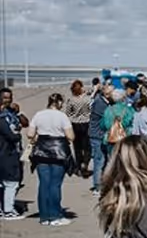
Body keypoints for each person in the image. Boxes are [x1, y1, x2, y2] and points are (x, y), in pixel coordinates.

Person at [29, 93, 76, 226]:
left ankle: (44, 216)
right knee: (55, 184)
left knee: (44, 184)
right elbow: (71, 136)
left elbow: (30, 134)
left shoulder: (39, 114)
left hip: (41, 151)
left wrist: (38, 136)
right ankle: (55, 215)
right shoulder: (62, 116)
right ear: (59, 102)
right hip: (58, 151)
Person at [0, 88, 22, 220]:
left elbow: (24, 122)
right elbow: (11, 135)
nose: (8, 100)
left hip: (8, 151)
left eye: (9, 97)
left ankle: (4, 209)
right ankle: (8, 210)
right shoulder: (3, 118)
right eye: (5, 98)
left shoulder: (10, 113)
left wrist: (18, 112)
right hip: (6, 152)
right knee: (11, 182)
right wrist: (17, 135)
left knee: (4, 182)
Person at [66, 80, 93, 176]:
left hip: (75, 123)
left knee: (77, 147)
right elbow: (91, 110)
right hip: (86, 123)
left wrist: (74, 116)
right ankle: (85, 163)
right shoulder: (87, 99)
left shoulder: (71, 100)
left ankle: (78, 166)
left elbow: (68, 112)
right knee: (87, 146)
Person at [88, 83, 111, 191]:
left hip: (100, 135)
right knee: (99, 161)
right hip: (97, 136)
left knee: (104, 160)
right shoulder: (100, 104)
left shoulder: (103, 102)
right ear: (106, 94)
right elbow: (109, 119)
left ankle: (103, 183)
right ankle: (97, 186)